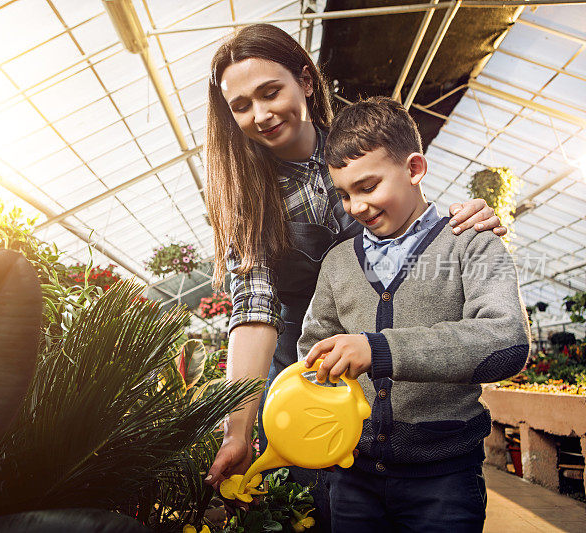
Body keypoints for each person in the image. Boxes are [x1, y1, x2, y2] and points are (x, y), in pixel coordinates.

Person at [202, 23, 507, 527]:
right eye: (240, 106)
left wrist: (466, 221)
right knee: (320, 506)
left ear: (305, 80)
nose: (260, 115)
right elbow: (254, 312)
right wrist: (238, 431)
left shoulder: (360, 145)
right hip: (310, 371)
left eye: (270, 91)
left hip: (397, 364)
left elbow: (416, 217)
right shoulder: (245, 195)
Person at [298, 96, 531, 531]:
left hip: (443, 482)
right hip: (353, 480)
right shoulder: (338, 262)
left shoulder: (472, 242)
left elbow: (506, 343)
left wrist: (380, 349)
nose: (355, 207)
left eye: (368, 187)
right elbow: (312, 351)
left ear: (414, 169)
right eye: (344, 194)